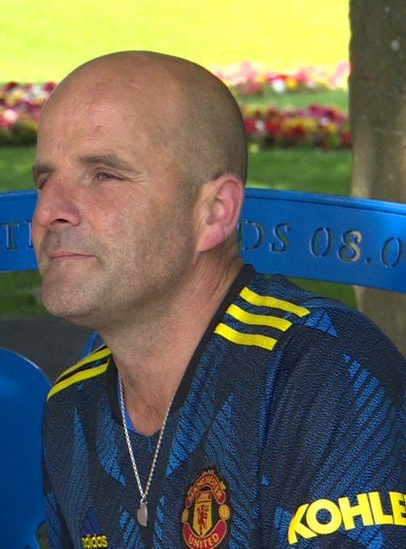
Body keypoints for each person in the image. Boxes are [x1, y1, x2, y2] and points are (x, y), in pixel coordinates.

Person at [35, 51, 406, 547]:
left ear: (214, 212)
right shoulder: (73, 405)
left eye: (104, 175)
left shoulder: (317, 376)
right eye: (44, 180)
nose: (50, 211)